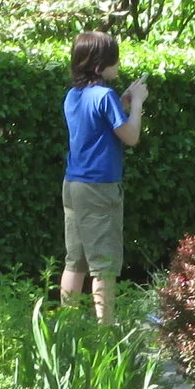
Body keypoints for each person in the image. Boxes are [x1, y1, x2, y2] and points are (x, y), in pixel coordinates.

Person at [60, 30, 147, 323]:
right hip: (99, 189)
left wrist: (121, 103)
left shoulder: (74, 95)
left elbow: (95, 123)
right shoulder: (105, 95)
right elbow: (131, 136)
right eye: (114, 60)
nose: (118, 65)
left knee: (76, 261)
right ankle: (105, 333)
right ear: (99, 65)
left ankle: (67, 328)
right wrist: (136, 104)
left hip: (73, 186)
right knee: (104, 266)